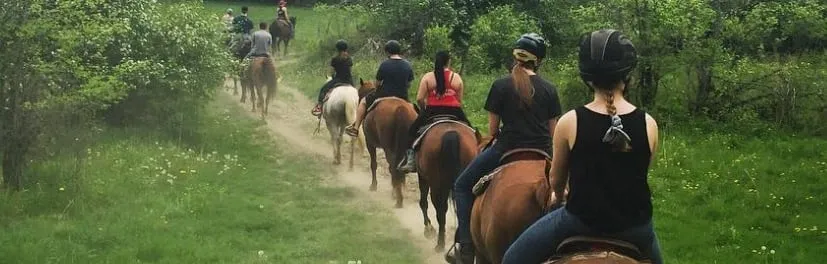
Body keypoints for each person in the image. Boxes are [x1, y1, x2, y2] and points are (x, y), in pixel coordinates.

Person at [500, 29, 663, 264]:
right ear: (627, 74)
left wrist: (560, 194)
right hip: (635, 227)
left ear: (586, 76)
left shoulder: (569, 122)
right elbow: (639, 174)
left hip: (579, 220)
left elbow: (556, 183)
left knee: (511, 259)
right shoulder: (649, 124)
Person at [445, 33, 563, 264]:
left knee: (461, 185)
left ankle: (466, 248)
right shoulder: (549, 89)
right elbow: (553, 132)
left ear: (515, 56)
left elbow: (493, 128)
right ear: (538, 60)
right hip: (542, 152)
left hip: (506, 149)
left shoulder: (500, 85)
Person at [397, 50, 472, 173]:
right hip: (454, 110)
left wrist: (423, 109)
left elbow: (420, 98)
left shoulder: (428, 77)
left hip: (432, 110)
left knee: (412, 131)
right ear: (449, 61)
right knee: (472, 131)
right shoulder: (456, 77)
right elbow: (459, 100)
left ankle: (410, 160)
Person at [344, 40, 414, 137]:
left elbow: (377, 84)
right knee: (415, 110)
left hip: (384, 94)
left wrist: (378, 87)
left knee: (363, 102)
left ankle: (355, 128)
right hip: (402, 95)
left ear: (388, 52)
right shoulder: (407, 65)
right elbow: (409, 84)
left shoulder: (385, 64)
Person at [312, 40, 354, 116]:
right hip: (349, 81)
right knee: (357, 94)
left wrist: (333, 76)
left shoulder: (335, 59)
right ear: (346, 48)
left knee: (323, 90)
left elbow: (332, 72)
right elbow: (350, 70)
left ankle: (319, 107)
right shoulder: (349, 58)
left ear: (337, 49)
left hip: (338, 80)